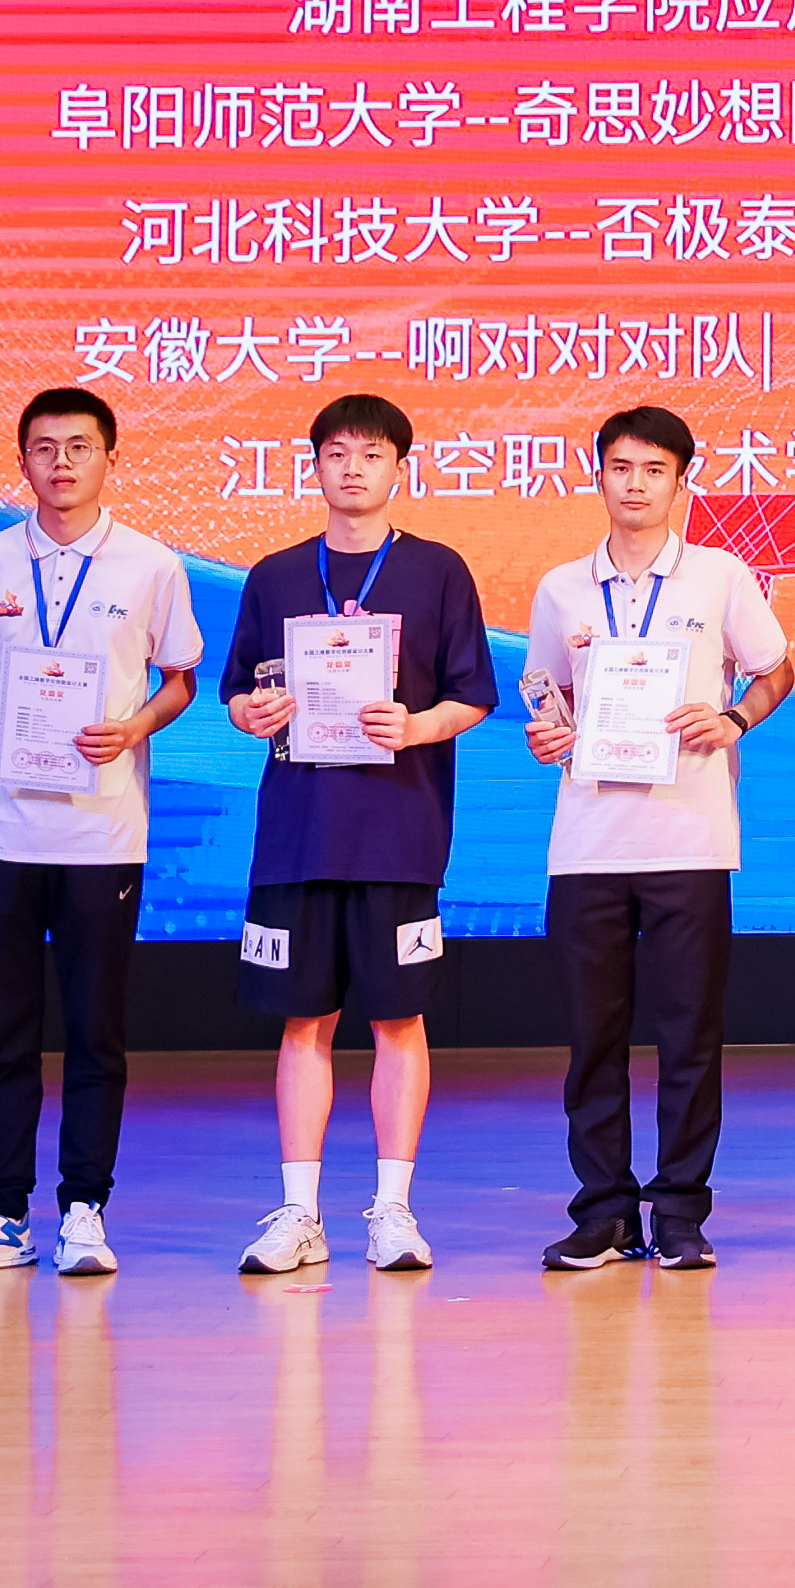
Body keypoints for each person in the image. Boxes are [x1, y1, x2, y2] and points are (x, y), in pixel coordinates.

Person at [0, 387, 204, 1279]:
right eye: (44, 448)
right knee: (3, 1035)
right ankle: (1, 1214)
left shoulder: (152, 565)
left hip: (101, 835)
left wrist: (133, 727)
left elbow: (181, 679)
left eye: (80, 447)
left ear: (110, 459)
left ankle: (85, 1208)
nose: (62, 463)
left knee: (94, 1032)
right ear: (22, 463)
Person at [219, 394, 499, 1274]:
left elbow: (473, 695)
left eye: (371, 454)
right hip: (298, 835)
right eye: (336, 453)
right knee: (302, 1020)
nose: (352, 469)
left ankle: (393, 1210)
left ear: (398, 470)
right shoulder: (274, 575)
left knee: (397, 1017)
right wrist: (253, 712)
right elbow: (236, 695)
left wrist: (413, 728)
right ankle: (300, 1214)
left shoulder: (438, 570)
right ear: (315, 466)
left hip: (398, 833)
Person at [518, 406, 793, 1272]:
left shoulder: (718, 576)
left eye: (654, 470)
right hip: (588, 843)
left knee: (689, 1036)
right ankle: (603, 1211)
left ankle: (679, 1211)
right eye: (621, 468)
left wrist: (734, 718)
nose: (635, 484)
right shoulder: (562, 587)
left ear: (682, 481)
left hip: (690, 839)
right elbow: (546, 693)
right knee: (592, 1037)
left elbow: (775, 669)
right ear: (597, 474)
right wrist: (547, 734)